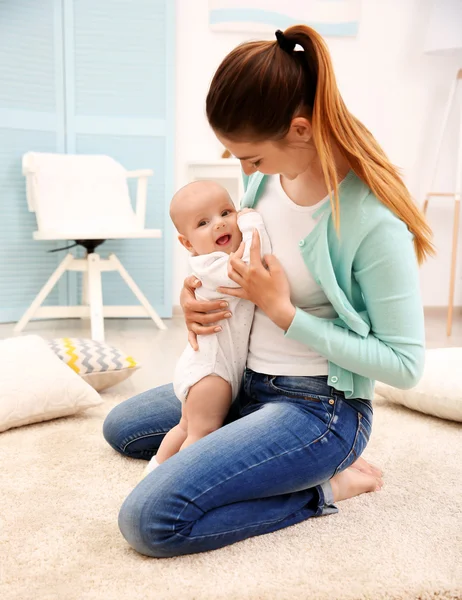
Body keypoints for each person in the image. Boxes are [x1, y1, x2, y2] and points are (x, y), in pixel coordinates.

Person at [103, 25, 433, 558]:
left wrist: (284, 313)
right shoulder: (265, 183)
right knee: (124, 427)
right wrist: (195, 297)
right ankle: (255, 442)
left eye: (251, 158)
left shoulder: (372, 221)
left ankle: (328, 487)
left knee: (150, 520)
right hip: (245, 381)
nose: (242, 172)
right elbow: (231, 263)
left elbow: (405, 365)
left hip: (320, 409)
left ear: (300, 130)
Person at [141, 180, 271, 479]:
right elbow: (253, 263)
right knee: (202, 432)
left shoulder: (210, 263)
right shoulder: (215, 265)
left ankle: (154, 474)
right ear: (187, 243)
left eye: (226, 212)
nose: (219, 224)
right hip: (213, 372)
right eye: (203, 222)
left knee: (185, 426)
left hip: (204, 365)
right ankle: (178, 483)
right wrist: (251, 222)